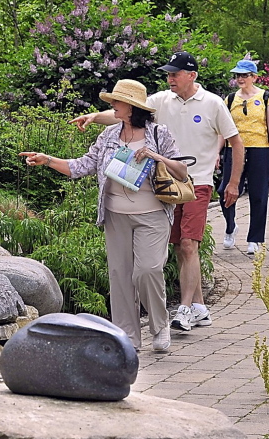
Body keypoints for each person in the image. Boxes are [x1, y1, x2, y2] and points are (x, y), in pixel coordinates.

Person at [70, 51, 245, 333]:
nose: (169, 78)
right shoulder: (161, 100)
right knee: (180, 246)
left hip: (196, 181)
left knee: (189, 244)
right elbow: (124, 111)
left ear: (192, 76)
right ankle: (199, 305)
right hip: (161, 185)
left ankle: (185, 309)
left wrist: (233, 182)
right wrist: (93, 116)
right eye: (168, 74)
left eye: (175, 74)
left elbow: (237, 143)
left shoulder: (213, 103)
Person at [21, 79, 187, 353]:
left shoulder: (159, 134)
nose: (112, 106)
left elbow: (181, 171)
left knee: (148, 270)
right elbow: (82, 166)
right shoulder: (108, 135)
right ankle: (129, 337)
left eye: (117, 102)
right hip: (115, 215)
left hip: (152, 214)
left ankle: (160, 325)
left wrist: (157, 157)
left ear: (132, 107)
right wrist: (47, 159)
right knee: (119, 276)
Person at [217, 59, 269, 256]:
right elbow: (222, 129)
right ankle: (230, 226)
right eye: (238, 75)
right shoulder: (229, 99)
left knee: (258, 194)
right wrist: (216, 153)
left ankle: (255, 238)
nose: (240, 79)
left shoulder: (265, 97)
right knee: (224, 191)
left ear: (254, 77)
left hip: (260, 149)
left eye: (245, 75)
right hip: (233, 149)